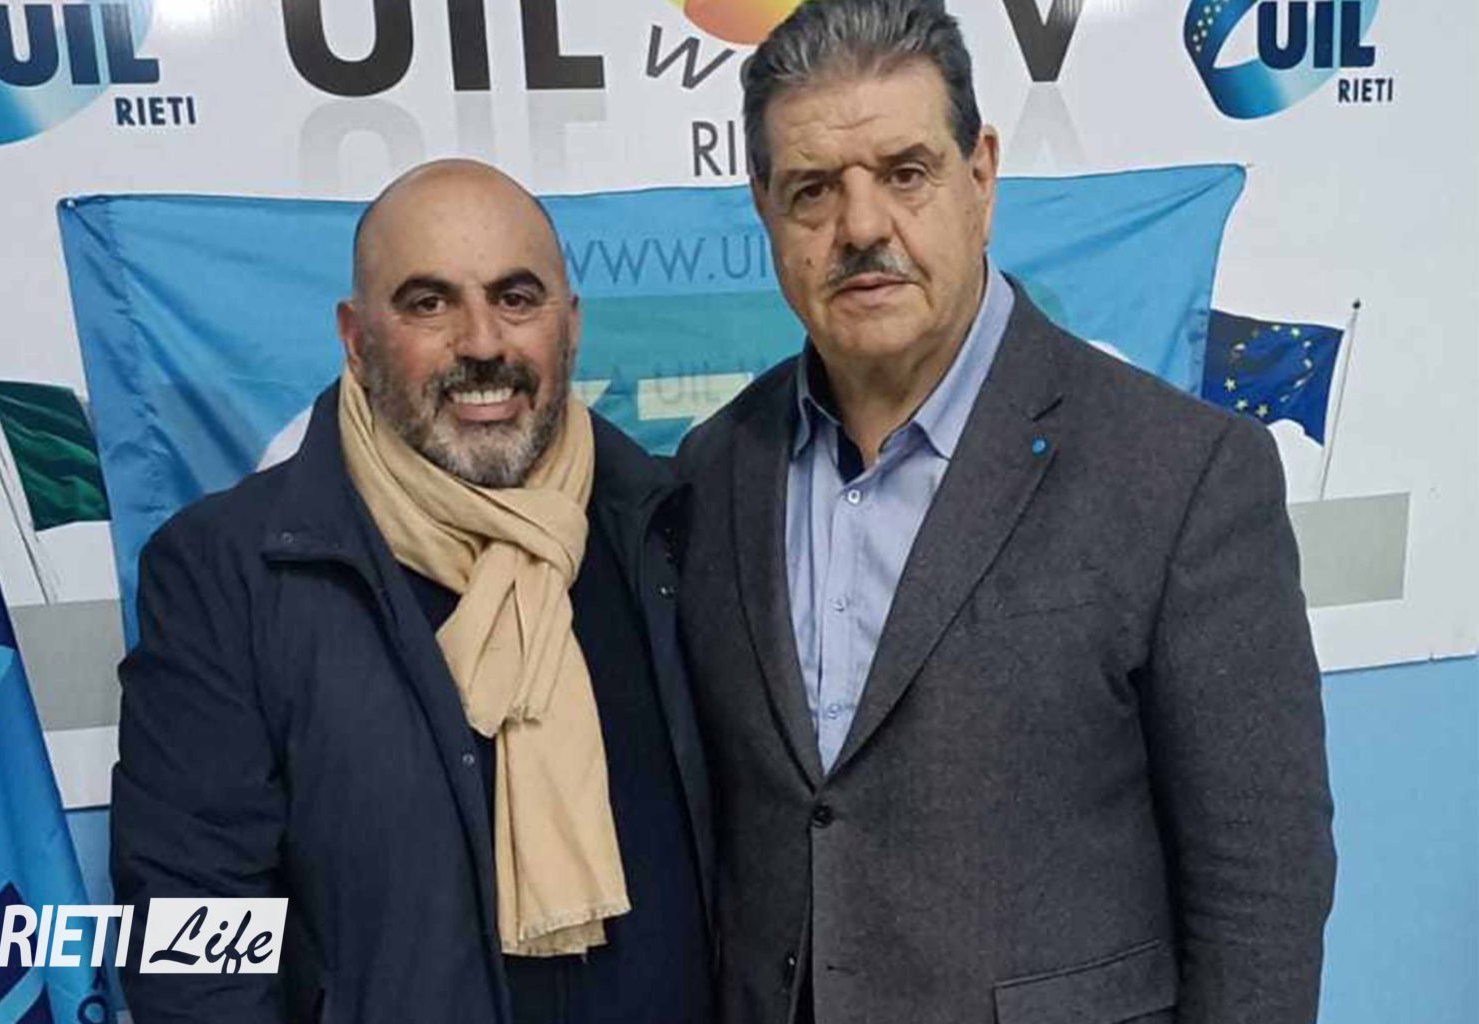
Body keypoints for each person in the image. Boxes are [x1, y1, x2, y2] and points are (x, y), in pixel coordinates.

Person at [675, 2, 1336, 1022]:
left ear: (980, 176)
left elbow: (1262, 894)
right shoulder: (716, 469)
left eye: (905, 173)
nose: (861, 227)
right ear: (763, 206)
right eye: (813, 189)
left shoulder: (1183, 475)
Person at [112, 159, 713, 1024]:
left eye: (516, 298)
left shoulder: (665, 526)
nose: (482, 343)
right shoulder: (226, 572)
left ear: (570, 325)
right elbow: (190, 927)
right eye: (428, 303)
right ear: (356, 339)